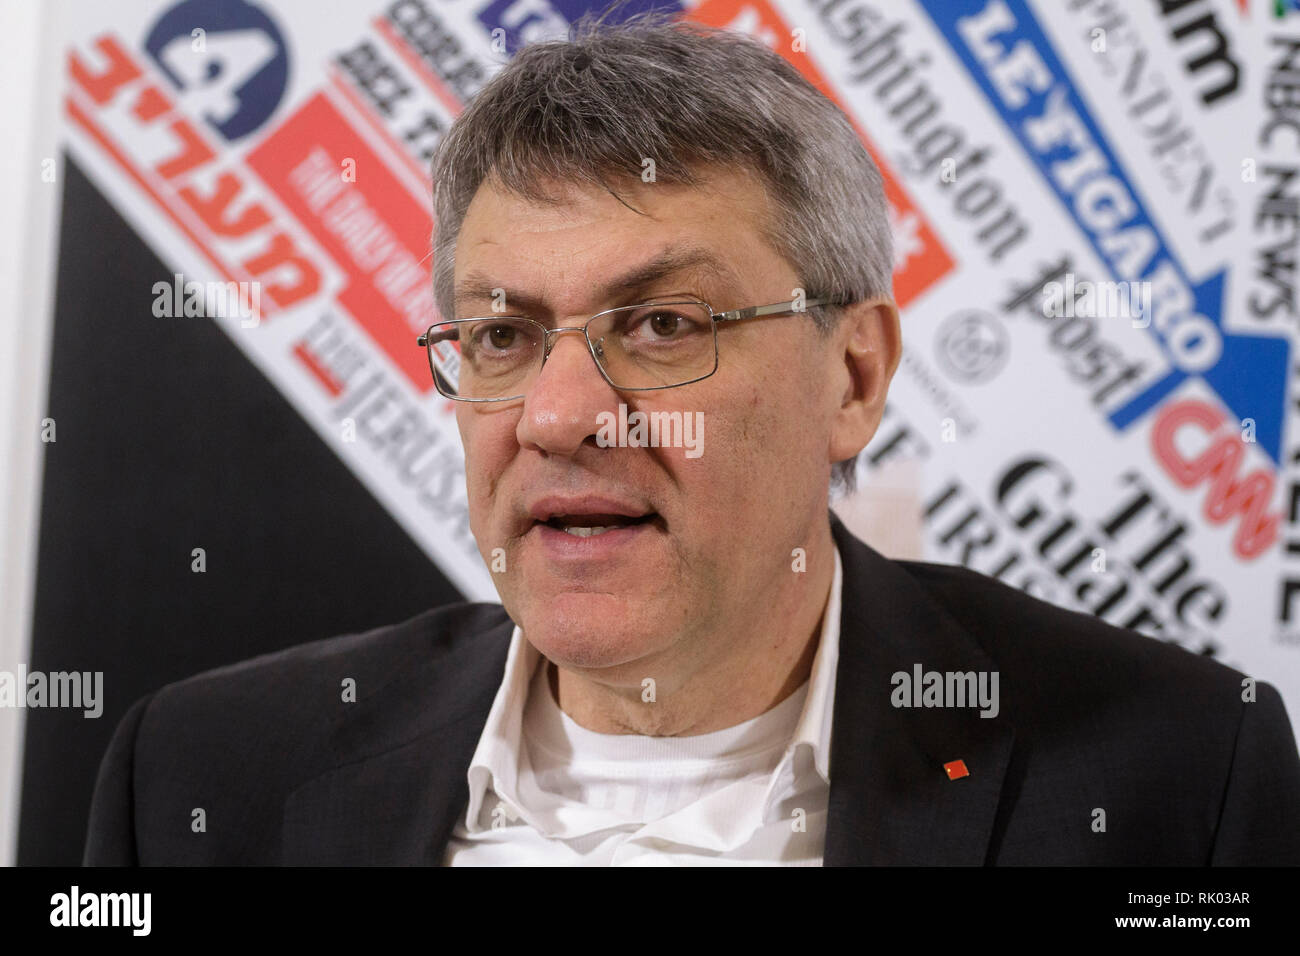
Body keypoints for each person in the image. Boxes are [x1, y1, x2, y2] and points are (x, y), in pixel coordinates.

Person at [84, 10, 1300, 866]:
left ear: (855, 373)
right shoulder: (204, 771)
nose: (559, 416)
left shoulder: (1172, 771)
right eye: (502, 335)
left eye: (663, 324)